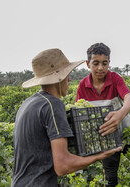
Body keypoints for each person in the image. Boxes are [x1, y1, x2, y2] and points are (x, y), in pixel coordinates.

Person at [11, 48, 122, 187]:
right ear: (57, 78)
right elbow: (63, 166)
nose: (69, 79)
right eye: (66, 74)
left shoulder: (28, 103)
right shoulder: (53, 105)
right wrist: (100, 156)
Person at [76, 43, 130, 186]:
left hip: (128, 134)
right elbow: (80, 114)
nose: (100, 68)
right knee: (111, 178)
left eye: (104, 63)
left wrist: (120, 115)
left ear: (109, 63)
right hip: (107, 140)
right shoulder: (83, 85)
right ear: (88, 64)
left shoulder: (115, 78)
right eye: (96, 63)